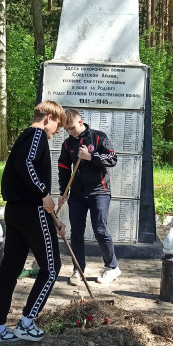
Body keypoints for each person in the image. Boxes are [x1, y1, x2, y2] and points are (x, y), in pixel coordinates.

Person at [0, 100, 67, 345]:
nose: (57, 130)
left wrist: (52, 219)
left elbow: (22, 167)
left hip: (16, 211)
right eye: (57, 124)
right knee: (52, 268)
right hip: (31, 211)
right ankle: (27, 322)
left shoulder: (25, 136)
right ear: (47, 118)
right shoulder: (36, 135)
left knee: (10, 269)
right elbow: (25, 164)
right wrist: (44, 193)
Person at [58, 109, 121, 285]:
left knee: (100, 229)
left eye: (71, 128)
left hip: (99, 191)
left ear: (80, 122)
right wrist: (64, 192)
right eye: (66, 129)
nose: (70, 132)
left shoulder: (98, 137)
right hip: (77, 194)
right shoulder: (67, 144)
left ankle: (112, 267)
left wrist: (90, 156)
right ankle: (78, 269)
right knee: (76, 232)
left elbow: (112, 159)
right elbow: (63, 169)